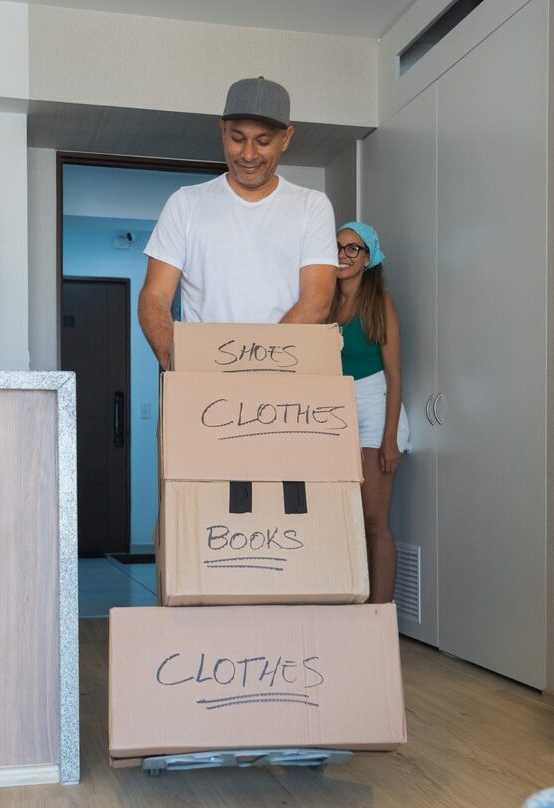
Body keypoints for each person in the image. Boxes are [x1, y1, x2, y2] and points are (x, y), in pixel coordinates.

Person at [138, 76, 339, 367]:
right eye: (237, 138)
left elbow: (317, 300)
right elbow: (154, 296)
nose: (248, 154)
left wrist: (253, 369)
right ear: (222, 130)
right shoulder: (185, 203)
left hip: (285, 376)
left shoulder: (312, 206)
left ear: (286, 138)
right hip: (200, 374)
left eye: (263, 141)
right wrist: (177, 363)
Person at [331, 221, 410, 604]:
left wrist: (390, 438)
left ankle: (380, 616)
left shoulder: (381, 302)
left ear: (368, 259)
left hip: (376, 410)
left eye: (352, 249)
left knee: (374, 521)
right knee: (343, 521)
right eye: (338, 247)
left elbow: (394, 374)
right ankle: (353, 608)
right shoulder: (325, 304)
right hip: (336, 413)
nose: (343, 255)